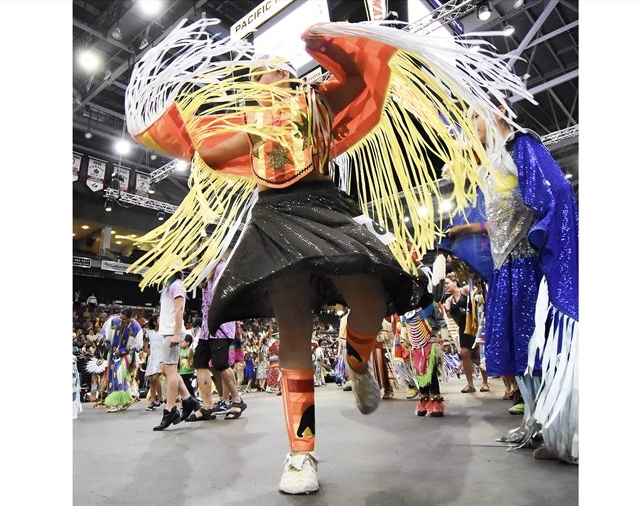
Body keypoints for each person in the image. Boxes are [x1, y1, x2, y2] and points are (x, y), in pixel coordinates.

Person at [125, 17, 532, 494]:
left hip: (326, 208)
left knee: (371, 301)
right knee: (293, 327)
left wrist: (330, 50)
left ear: (290, 75)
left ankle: (359, 362)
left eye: (271, 71)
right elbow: (210, 156)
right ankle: (301, 455)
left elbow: (358, 81)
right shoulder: (251, 123)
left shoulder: (316, 101)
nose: (263, 77)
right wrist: (204, 129)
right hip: (273, 219)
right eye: (255, 76)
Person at [445, 98, 579, 463]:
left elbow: (559, 192)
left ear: (496, 111)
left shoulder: (522, 145)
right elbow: (500, 220)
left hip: (530, 269)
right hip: (508, 270)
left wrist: (542, 231)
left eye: (475, 115)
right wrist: (465, 230)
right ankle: (537, 422)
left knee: (539, 349)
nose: (471, 124)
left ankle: (560, 430)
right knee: (521, 351)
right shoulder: (495, 164)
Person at [188, 258, 246, 422]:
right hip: (207, 328)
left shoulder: (221, 268)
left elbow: (226, 296)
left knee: (220, 363)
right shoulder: (206, 272)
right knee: (199, 361)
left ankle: (237, 400)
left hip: (220, 324)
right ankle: (207, 406)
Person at [153, 271, 202, 431]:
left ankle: (170, 409)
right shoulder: (169, 287)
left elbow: (180, 309)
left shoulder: (177, 285)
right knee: (167, 370)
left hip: (172, 333)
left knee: (171, 370)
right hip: (167, 332)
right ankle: (188, 400)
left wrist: (175, 334)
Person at [443, 276, 488, 393]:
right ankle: (470, 384)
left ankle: (485, 382)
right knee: (464, 354)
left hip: (474, 327)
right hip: (463, 329)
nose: (445, 286)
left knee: (477, 355)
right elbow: (454, 318)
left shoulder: (464, 290)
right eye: (444, 285)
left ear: (454, 282)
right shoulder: (448, 301)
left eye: (447, 283)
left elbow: (475, 291)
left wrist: (477, 296)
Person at [102, 308, 143, 412]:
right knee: (112, 375)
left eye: (124, 319)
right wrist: (107, 344)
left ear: (130, 318)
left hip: (127, 354)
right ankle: (125, 400)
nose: (122, 321)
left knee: (118, 373)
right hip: (113, 352)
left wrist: (123, 350)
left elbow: (138, 346)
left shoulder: (136, 327)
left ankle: (116, 402)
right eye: (121, 318)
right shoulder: (113, 321)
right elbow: (104, 332)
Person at [143, 315, 164, 411]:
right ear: (155, 322)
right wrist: (147, 350)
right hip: (152, 357)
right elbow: (145, 342)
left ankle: (160, 399)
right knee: (151, 380)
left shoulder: (163, 331)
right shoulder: (149, 332)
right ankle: (153, 400)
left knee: (156, 378)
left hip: (161, 356)